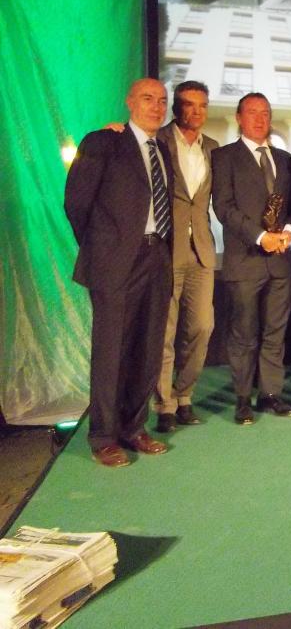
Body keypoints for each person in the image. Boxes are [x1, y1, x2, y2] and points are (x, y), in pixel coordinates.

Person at [65, 78, 173, 466]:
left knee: (147, 349)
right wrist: (102, 249)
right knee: (111, 351)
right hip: (115, 263)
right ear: (129, 102)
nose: (156, 107)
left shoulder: (163, 150)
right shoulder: (102, 142)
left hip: (157, 259)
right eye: (147, 99)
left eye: (162, 100)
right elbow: (76, 203)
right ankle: (103, 436)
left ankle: (133, 427)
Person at [211, 93, 291, 423]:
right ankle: (243, 397)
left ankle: (270, 394)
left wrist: (288, 231)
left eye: (265, 113)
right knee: (244, 334)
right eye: (252, 113)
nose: (260, 119)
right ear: (238, 118)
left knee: (276, 331)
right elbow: (224, 208)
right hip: (245, 260)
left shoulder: (285, 158)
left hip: (280, 261)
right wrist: (261, 237)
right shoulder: (224, 157)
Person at [152, 81, 218, 432]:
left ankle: (184, 394)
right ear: (177, 108)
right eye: (189, 105)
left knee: (203, 326)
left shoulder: (213, 147)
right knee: (164, 332)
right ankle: (165, 404)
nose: (197, 111)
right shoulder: (158, 142)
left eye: (202, 105)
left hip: (203, 251)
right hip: (166, 249)